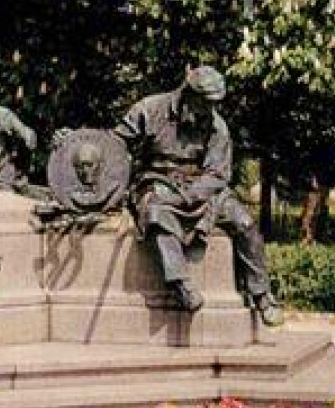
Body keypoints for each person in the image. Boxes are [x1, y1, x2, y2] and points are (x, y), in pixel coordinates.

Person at [114, 66, 284, 326]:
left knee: (245, 223)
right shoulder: (149, 110)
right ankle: (181, 283)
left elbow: (218, 175)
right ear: (187, 94)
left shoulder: (218, 128)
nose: (208, 111)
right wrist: (78, 142)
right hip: (157, 182)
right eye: (204, 104)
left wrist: (190, 195)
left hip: (203, 188)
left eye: (213, 105)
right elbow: (115, 144)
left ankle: (261, 293)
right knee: (156, 214)